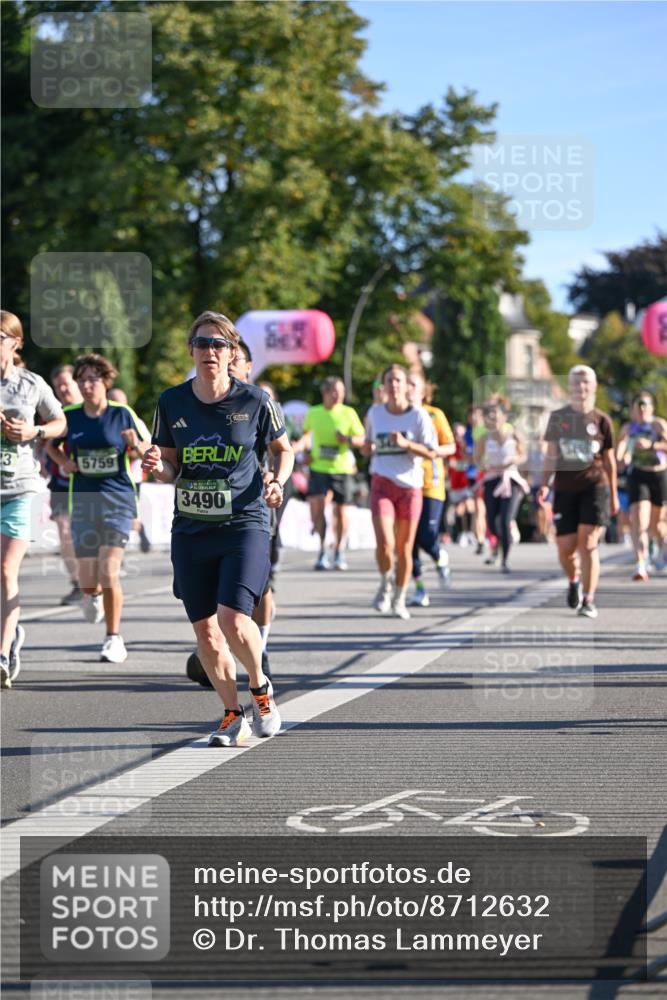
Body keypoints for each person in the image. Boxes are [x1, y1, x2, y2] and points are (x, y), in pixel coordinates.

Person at [143, 312, 293, 747]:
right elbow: (170, 467)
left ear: (232, 353)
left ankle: (260, 688)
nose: (210, 351)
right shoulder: (171, 401)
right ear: (191, 350)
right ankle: (232, 715)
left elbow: (283, 450)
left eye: (219, 344)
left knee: (233, 618)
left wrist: (277, 481)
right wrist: (156, 466)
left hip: (244, 522)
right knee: (206, 631)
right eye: (202, 343)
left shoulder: (256, 400)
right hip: (192, 528)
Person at [47, 354, 151, 663]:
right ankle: (90, 595)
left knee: (109, 572)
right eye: (81, 380)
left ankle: (113, 638)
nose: (86, 385)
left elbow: (147, 450)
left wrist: (135, 445)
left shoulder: (122, 413)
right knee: (88, 580)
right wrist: (64, 462)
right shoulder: (69, 416)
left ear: (105, 381)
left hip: (118, 501)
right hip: (83, 502)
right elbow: (51, 445)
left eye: (92, 379)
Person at [1, 310, 66, 688]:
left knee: (6, 569)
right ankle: (10, 633)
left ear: (16, 342)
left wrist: (33, 431)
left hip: (20, 488)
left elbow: (60, 422)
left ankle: (2, 652)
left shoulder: (31, 384)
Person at [539, 365, 619, 619]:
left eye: (586, 382)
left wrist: (614, 494)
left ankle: (588, 599)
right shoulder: (558, 418)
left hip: (595, 486)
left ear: (594, 387)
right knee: (565, 548)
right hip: (565, 488)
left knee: (588, 543)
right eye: (576, 382)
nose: (581, 387)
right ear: (569, 386)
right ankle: (574, 580)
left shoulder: (602, 421)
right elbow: (551, 456)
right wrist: (544, 483)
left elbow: (610, 461)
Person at [364, 364, 437, 620]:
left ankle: (399, 598)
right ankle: (385, 583)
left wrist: (407, 444)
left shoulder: (418, 416)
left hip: (410, 487)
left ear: (406, 386)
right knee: (385, 543)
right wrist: (367, 448)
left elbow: (431, 452)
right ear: (383, 386)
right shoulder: (375, 413)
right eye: (389, 381)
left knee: (404, 548)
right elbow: (367, 444)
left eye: (398, 380)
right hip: (382, 482)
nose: (393, 385)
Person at [293, 376, 365, 571]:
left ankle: (339, 550)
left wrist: (347, 439)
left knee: (341, 511)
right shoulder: (314, 413)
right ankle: (323, 547)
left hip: (342, 469)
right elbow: (307, 437)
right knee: (316, 507)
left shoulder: (348, 413)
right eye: (335, 391)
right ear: (325, 392)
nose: (339, 395)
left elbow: (362, 438)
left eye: (341, 392)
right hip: (318, 468)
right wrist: (299, 451)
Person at [405, 373, 456, 607]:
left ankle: (438, 555)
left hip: (430, 484)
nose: (408, 388)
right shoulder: (398, 415)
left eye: (413, 384)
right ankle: (420, 589)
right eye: (406, 383)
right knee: (409, 541)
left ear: (423, 391)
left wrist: (433, 452)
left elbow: (451, 446)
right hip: (406, 482)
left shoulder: (435, 414)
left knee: (426, 535)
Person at [474, 395, 528, 574]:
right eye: (490, 415)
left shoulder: (514, 435)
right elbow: (477, 459)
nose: (493, 418)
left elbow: (523, 455)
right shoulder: (484, 438)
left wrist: (514, 459)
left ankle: (505, 559)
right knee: (491, 520)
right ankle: (497, 544)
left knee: (505, 520)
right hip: (492, 479)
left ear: (504, 417)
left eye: (496, 414)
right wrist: (484, 465)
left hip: (510, 480)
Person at [616, 391, 667, 580]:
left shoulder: (658, 425)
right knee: (638, 518)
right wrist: (621, 457)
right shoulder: (628, 428)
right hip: (638, 474)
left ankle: (662, 547)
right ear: (632, 409)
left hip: (659, 475)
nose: (642, 408)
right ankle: (641, 563)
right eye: (638, 404)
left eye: (645, 404)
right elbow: (621, 447)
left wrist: (651, 445)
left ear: (651, 407)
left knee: (657, 524)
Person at [48, 365, 84, 604]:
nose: (62, 389)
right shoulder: (54, 415)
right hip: (61, 483)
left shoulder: (97, 411)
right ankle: (78, 584)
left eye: (66, 383)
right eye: (58, 386)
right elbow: (47, 446)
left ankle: (95, 581)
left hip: (92, 484)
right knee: (64, 530)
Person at [108, 387, 152, 554]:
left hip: (131, 478)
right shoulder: (101, 421)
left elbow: (148, 446)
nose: (118, 408)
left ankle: (139, 530)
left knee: (128, 519)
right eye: (114, 403)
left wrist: (132, 452)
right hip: (107, 479)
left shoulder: (135, 421)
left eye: (121, 404)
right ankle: (115, 554)